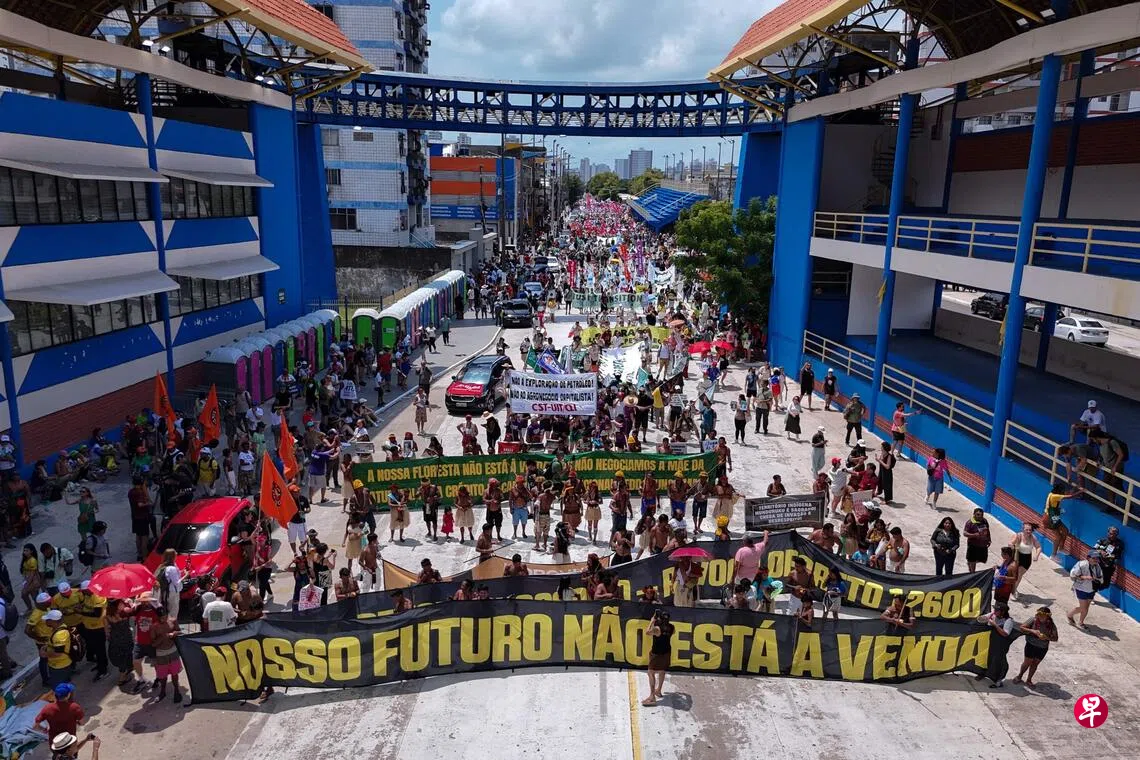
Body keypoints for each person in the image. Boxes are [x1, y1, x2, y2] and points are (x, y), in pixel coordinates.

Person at [1014, 607, 1059, 687]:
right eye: (1039, 615)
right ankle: (1019, 676)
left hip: (1042, 647)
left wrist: (1046, 637)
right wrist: (1033, 631)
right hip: (1031, 645)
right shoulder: (1033, 620)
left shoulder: (1051, 625)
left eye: (1043, 615)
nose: (1040, 617)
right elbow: (1022, 627)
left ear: (1047, 616)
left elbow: (1055, 638)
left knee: (1035, 664)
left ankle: (1029, 679)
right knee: (1027, 662)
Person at [976, 602, 1015, 688]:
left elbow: (1005, 634)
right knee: (985, 658)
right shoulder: (993, 614)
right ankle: (983, 673)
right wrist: (984, 618)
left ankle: (998, 681)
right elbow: (979, 619)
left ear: (1003, 612)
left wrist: (995, 625)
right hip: (990, 641)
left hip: (1000, 644)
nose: (994, 611)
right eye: (995, 609)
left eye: (997, 610)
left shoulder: (1008, 621)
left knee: (998, 662)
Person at [150, 606, 183, 702]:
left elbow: (180, 632)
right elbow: (153, 644)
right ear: (157, 617)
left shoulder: (173, 621)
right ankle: (162, 692)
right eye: (161, 618)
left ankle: (176, 691)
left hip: (173, 651)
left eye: (165, 617)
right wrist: (162, 637)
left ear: (167, 615)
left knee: (175, 673)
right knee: (162, 676)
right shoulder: (154, 627)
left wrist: (174, 633)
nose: (163, 619)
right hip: (161, 654)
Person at [642, 610, 673, 706]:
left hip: (656, 653)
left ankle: (652, 697)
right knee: (662, 671)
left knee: (650, 672)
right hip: (666, 652)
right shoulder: (672, 627)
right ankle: (658, 690)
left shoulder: (657, 629)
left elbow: (647, 632)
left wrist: (652, 621)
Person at [1043, 481, 1080, 558]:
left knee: (1065, 531)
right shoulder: (1055, 496)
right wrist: (1081, 491)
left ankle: (1061, 548)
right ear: (1060, 491)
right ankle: (1053, 555)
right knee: (1058, 537)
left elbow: (1068, 494)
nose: (1064, 491)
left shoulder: (1052, 494)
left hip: (1054, 517)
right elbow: (1070, 496)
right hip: (1050, 518)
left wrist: (1075, 488)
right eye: (1063, 490)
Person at [1067, 551, 1102, 630]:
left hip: (1091, 589)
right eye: (1094, 558)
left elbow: (1100, 576)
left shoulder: (1097, 566)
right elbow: (1073, 575)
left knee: (1086, 607)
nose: (1096, 560)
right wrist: (1085, 577)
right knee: (1083, 608)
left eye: (1097, 558)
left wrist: (1097, 579)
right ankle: (1069, 615)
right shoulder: (1081, 564)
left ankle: (1081, 622)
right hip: (1081, 588)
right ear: (1088, 558)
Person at [1008, 522, 1042, 598]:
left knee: (1019, 575)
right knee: (1014, 574)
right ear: (1023, 529)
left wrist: (1036, 556)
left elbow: (1039, 547)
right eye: (1026, 530)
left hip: (1027, 559)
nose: (1028, 531)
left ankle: (1013, 590)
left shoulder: (1033, 538)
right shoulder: (1018, 535)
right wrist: (1011, 545)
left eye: (1030, 530)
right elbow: (1010, 543)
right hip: (1017, 557)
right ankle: (1012, 589)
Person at [1092, 526, 1124, 591]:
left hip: (1109, 567)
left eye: (1114, 534)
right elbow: (1093, 550)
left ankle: (1094, 590)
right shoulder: (1102, 541)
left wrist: (1110, 556)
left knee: (1105, 585)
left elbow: (1118, 556)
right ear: (1108, 533)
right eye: (1110, 533)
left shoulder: (1119, 544)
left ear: (1117, 535)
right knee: (1095, 582)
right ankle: (1091, 593)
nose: (1112, 535)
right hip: (1098, 565)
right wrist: (1101, 552)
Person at [963, 508, 991, 572]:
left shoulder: (984, 521)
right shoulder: (970, 522)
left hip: (982, 545)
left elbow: (988, 530)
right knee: (972, 560)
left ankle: (969, 563)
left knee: (981, 559)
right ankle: (972, 573)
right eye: (978, 514)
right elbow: (965, 533)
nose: (980, 516)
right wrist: (974, 535)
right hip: (973, 545)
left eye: (981, 515)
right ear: (974, 514)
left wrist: (989, 539)